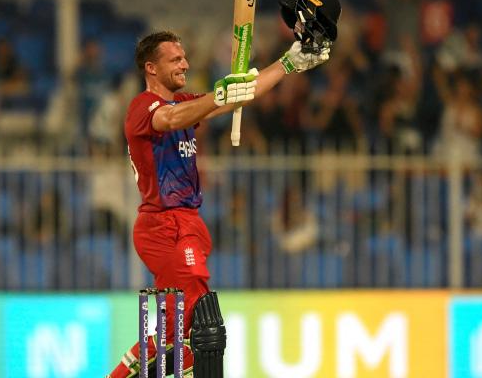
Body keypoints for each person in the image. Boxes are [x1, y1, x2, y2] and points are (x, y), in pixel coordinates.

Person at [107, 30, 330, 377]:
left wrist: (289, 63)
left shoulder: (184, 105)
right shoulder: (143, 107)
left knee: (178, 334)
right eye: (175, 59)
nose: (186, 64)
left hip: (189, 222)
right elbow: (170, 120)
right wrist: (218, 97)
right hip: (162, 226)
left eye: (184, 57)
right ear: (151, 68)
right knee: (201, 330)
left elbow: (245, 93)